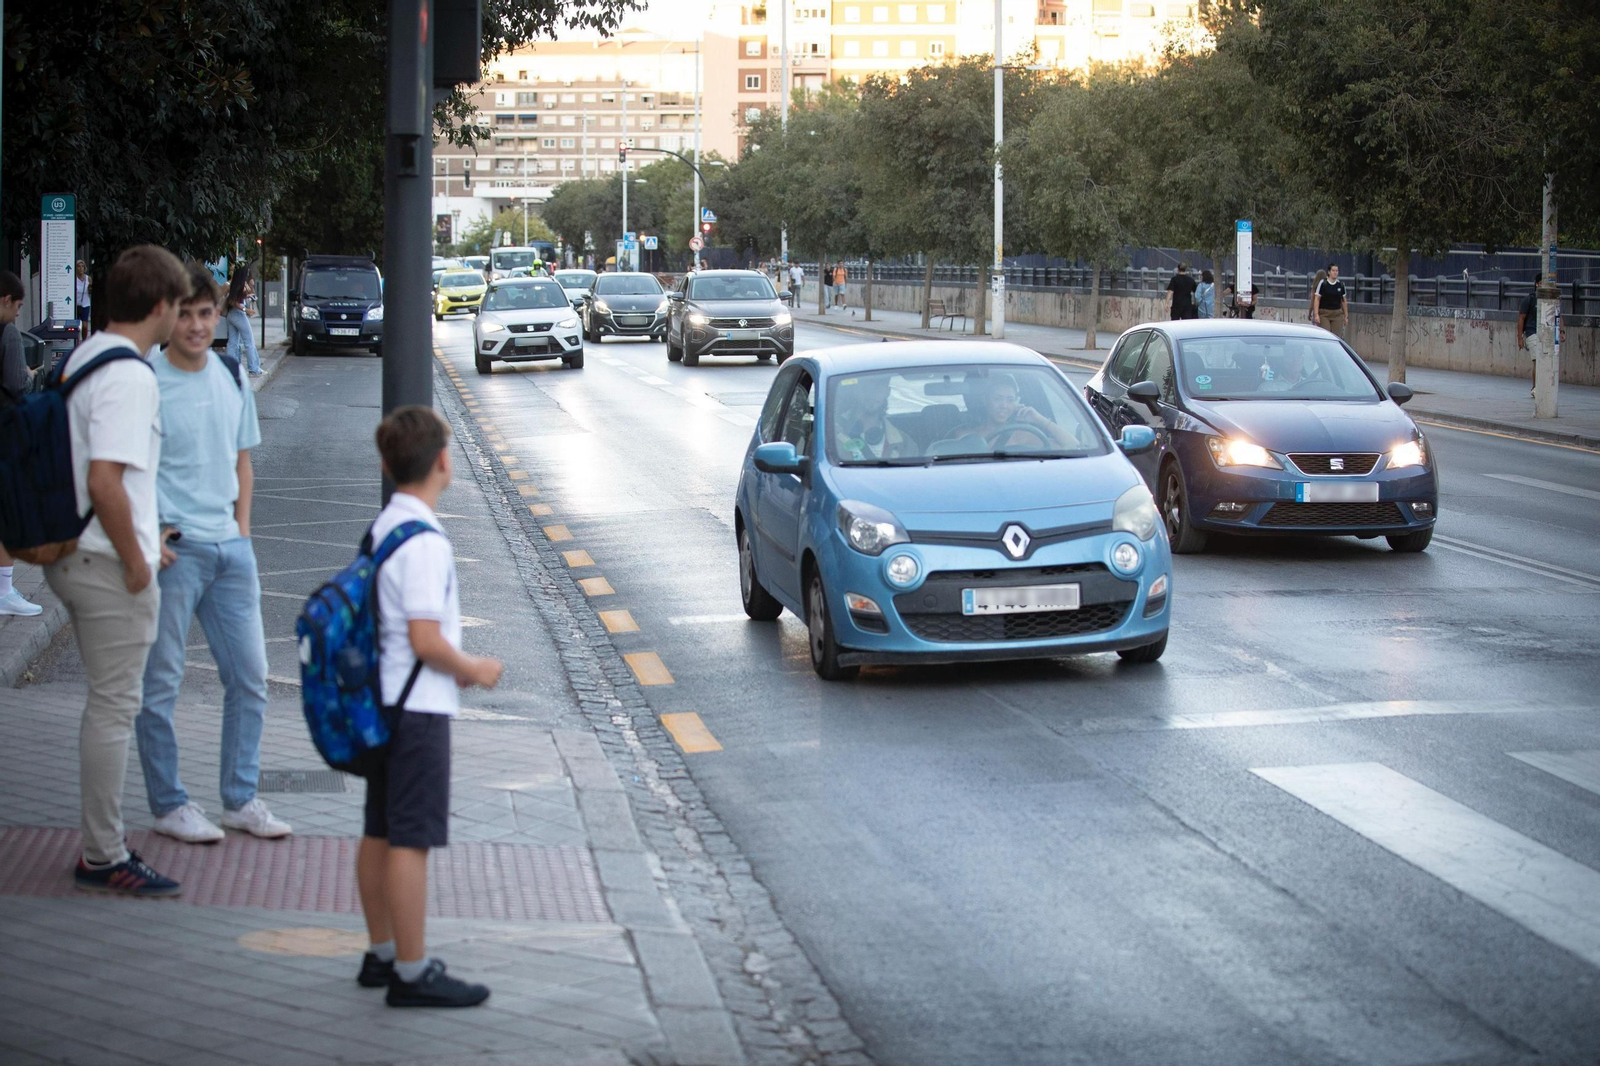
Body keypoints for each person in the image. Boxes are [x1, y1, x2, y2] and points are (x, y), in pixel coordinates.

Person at [51, 244, 189, 896]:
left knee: (105, 705)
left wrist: (146, 535)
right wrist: (137, 562)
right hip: (107, 566)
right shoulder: (132, 376)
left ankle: (101, 847)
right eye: (178, 306)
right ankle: (102, 855)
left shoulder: (86, 354)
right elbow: (106, 479)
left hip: (80, 552)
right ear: (159, 306)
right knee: (113, 708)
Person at [136, 262, 288, 845]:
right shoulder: (145, 379)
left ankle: (240, 800)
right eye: (187, 314)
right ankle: (169, 804)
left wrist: (242, 534)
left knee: (251, 677)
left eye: (207, 313)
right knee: (162, 683)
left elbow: (242, 462)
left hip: (230, 550)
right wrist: (149, 534)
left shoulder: (229, 373)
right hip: (176, 553)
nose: (198, 325)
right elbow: (127, 467)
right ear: (168, 315)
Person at [358, 406, 503, 1008]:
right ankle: (412, 974)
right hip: (417, 708)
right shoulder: (424, 542)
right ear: (443, 460)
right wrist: (475, 669)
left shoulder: (386, 523)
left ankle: (382, 953)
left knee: (379, 830)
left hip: (385, 701)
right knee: (409, 840)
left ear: (389, 464)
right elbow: (424, 637)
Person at [0, 271, 45, 617]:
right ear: (5, 300)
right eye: (18, 306)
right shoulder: (9, 334)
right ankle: (4, 591)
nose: (18, 313)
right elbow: (16, 383)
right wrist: (30, 376)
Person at [956, 374, 1079, 450]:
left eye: (1010, 400)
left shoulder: (1025, 435)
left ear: (1016, 403)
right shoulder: (965, 436)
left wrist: (1040, 420)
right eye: (998, 399)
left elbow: (1072, 445)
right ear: (985, 400)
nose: (1004, 405)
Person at [833, 375, 912, 461]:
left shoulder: (904, 442)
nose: (872, 394)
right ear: (856, 390)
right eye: (866, 387)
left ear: (887, 392)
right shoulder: (830, 432)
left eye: (878, 388)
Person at [225, 266, 262, 376]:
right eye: (246, 274)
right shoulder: (239, 286)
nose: (247, 276)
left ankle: (231, 369)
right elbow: (233, 301)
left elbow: (251, 295)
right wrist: (246, 310)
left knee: (233, 342)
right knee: (249, 341)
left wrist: (251, 286)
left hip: (230, 315)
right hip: (238, 314)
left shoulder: (235, 285)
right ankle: (253, 369)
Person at [1312, 263, 1347, 338]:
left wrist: (1346, 316)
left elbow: (1343, 301)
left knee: (1336, 336)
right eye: (1333, 270)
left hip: (1337, 313)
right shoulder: (1323, 283)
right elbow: (1317, 299)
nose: (1335, 272)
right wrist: (1316, 314)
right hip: (1325, 313)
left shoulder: (1340, 284)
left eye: (1337, 271)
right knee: (1326, 335)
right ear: (1329, 272)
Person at [75, 260, 93, 338]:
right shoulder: (74, 279)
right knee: (75, 325)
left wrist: (90, 288)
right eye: (79, 266)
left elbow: (91, 291)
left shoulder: (88, 278)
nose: (81, 268)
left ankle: (84, 341)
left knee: (85, 326)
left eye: (82, 266)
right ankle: (76, 341)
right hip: (76, 304)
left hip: (85, 304)